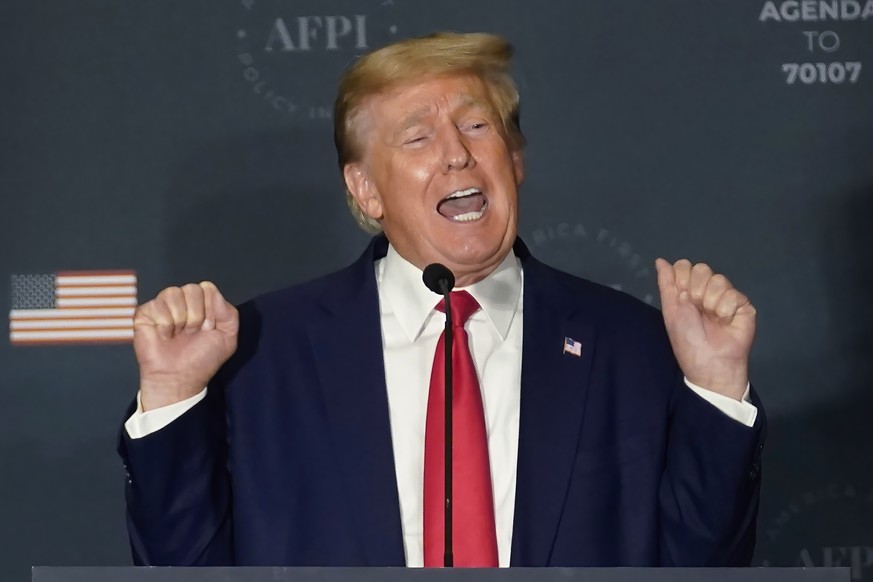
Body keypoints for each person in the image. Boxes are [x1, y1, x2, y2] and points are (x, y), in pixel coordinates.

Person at [119, 32, 765, 568]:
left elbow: (705, 568)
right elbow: (182, 569)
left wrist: (712, 388)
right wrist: (174, 396)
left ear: (514, 159)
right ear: (365, 189)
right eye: (418, 136)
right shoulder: (263, 354)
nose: (456, 154)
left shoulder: (630, 346)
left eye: (476, 125)